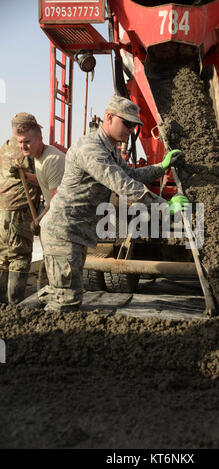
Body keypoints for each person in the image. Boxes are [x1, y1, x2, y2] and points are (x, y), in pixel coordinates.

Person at [38, 95, 189, 312]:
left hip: (75, 232)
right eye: (127, 123)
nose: (131, 129)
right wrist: (164, 206)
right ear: (109, 117)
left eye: (134, 125)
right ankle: (44, 339)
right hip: (63, 231)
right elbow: (123, 185)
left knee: (63, 292)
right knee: (66, 300)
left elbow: (130, 174)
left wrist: (161, 166)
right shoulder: (90, 149)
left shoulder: (109, 149)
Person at [0, 113, 41, 304]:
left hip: (3, 211)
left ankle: (2, 307)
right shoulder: (24, 152)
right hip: (19, 212)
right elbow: (40, 176)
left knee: (2, 257)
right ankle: (15, 305)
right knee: (20, 257)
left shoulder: (6, 145)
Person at [15, 119, 65, 227]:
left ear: (40, 139)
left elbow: (55, 201)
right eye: (20, 142)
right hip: (57, 216)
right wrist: (24, 176)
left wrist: (39, 220)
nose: (22, 147)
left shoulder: (53, 160)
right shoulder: (38, 156)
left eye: (27, 142)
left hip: (65, 221)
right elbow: (43, 180)